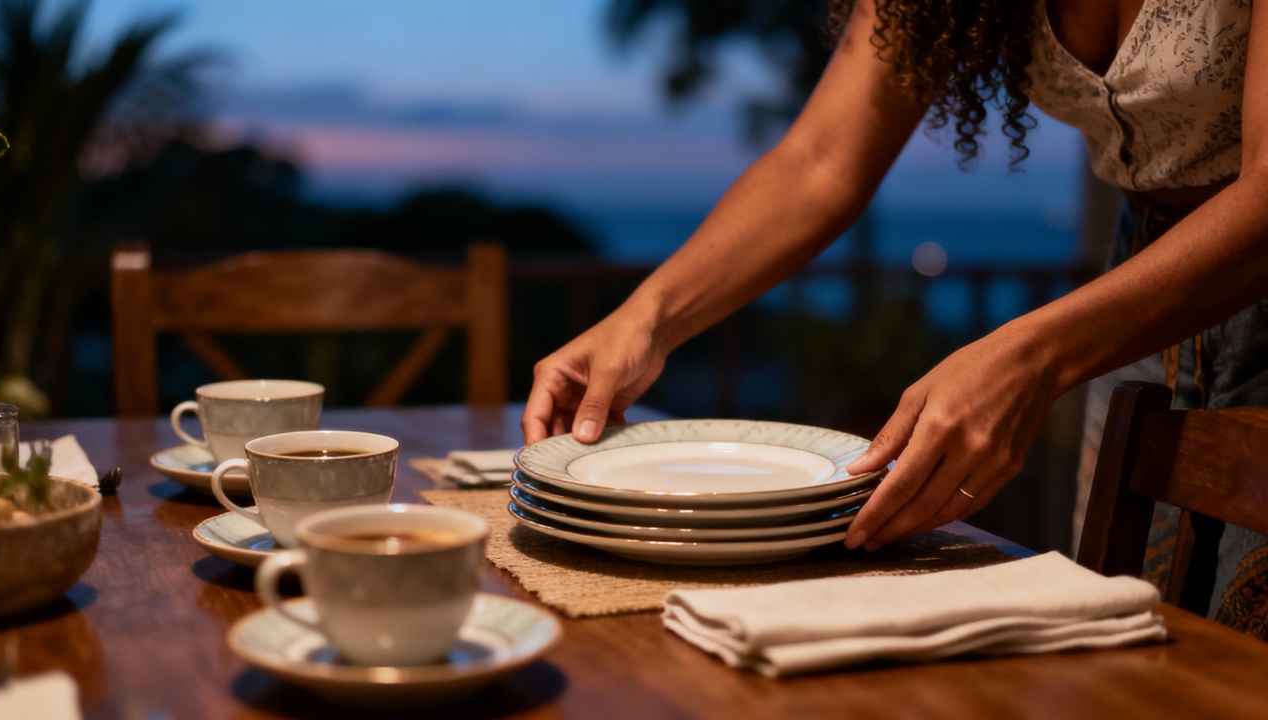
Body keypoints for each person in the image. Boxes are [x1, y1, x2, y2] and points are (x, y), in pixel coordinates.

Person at [522, 0, 1268, 630]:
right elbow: (820, 162)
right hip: (1141, 286)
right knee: (1133, 646)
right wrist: (645, 319)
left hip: (1222, 272)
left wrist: (1032, 356)